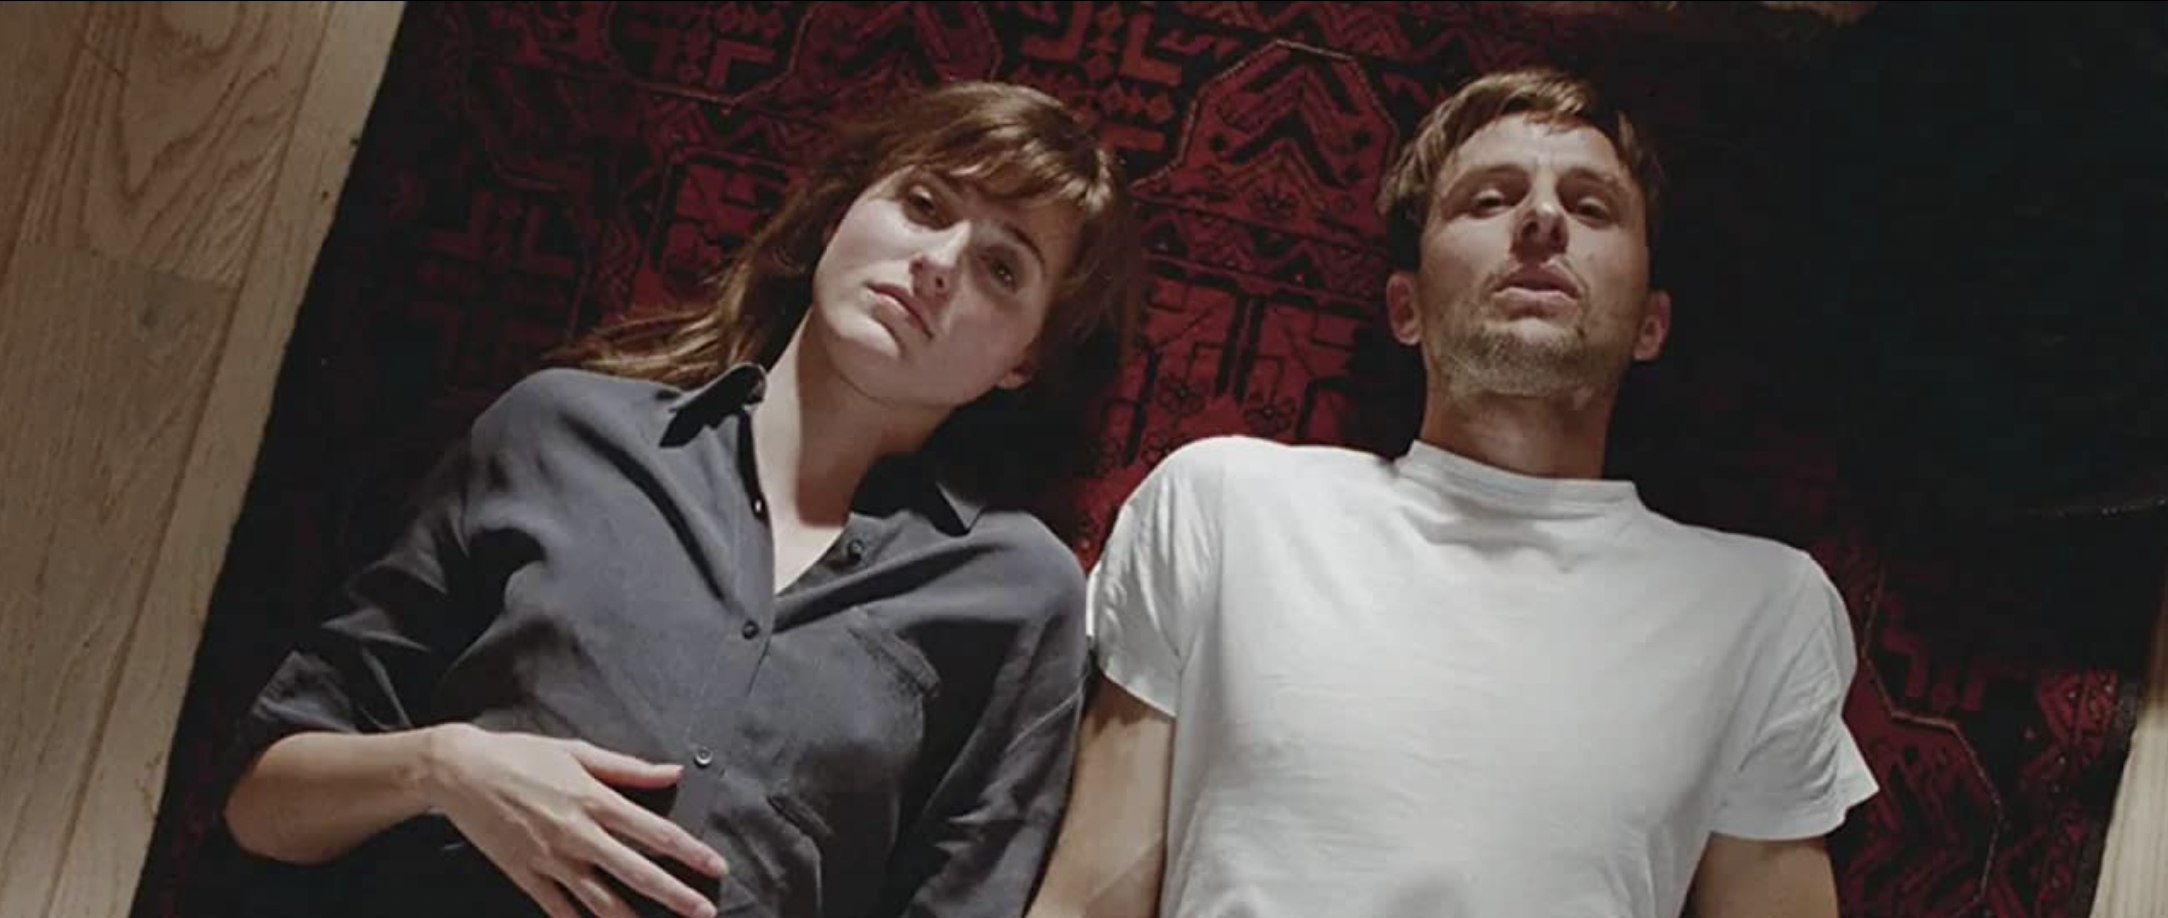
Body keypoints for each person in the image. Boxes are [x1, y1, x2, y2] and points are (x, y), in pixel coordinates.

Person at [220, 80, 1145, 918]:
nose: (939, 262)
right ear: (841, 214)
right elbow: (264, 802)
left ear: (1026, 359)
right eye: (924, 205)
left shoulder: (1017, 594)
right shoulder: (560, 430)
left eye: (1002, 268)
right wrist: (447, 765)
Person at [1025, 67, 1879, 918]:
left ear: (1651, 325)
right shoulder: (1223, 505)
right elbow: (1087, 898)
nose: (1542, 220)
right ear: (1407, 308)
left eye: (1591, 208)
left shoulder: (1767, 608)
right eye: (1489, 200)